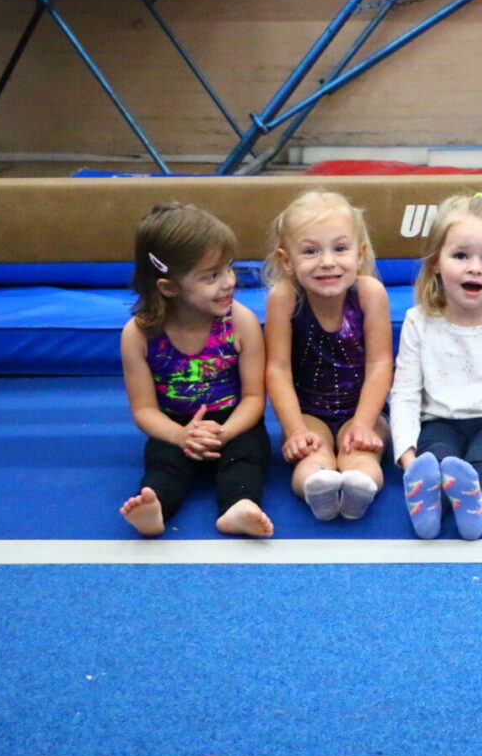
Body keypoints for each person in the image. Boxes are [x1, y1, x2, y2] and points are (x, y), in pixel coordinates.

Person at [118, 202, 272, 538]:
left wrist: (225, 432)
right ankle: (155, 504)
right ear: (168, 287)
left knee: (247, 457)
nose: (229, 282)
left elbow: (253, 397)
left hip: (234, 422)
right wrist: (180, 435)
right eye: (211, 276)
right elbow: (144, 410)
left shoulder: (240, 322)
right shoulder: (140, 334)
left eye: (229, 268)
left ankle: (239, 506)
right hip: (175, 425)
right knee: (164, 461)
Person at [390, 192, 482, 540]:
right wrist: (406, 455)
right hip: (438, 421)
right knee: (436, 459)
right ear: (436, 263)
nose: (474, 267)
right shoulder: (419, 321)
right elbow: (405, 394)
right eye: (460, 255)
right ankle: (427, 508)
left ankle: (477, 513)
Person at [263, 189, 393, 520]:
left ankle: (357, 492)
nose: (327, 262)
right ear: (286, 260)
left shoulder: (369, 293)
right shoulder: (285, 298)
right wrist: (294, 430)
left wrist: (364, 422)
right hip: (309, 413)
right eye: (310, 251)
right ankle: (317, 490)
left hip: (363, 410)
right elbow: (277, 369)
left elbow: (380, 364)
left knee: (362, 457)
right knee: (311, 455)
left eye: (340, 248)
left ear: (360, 253)